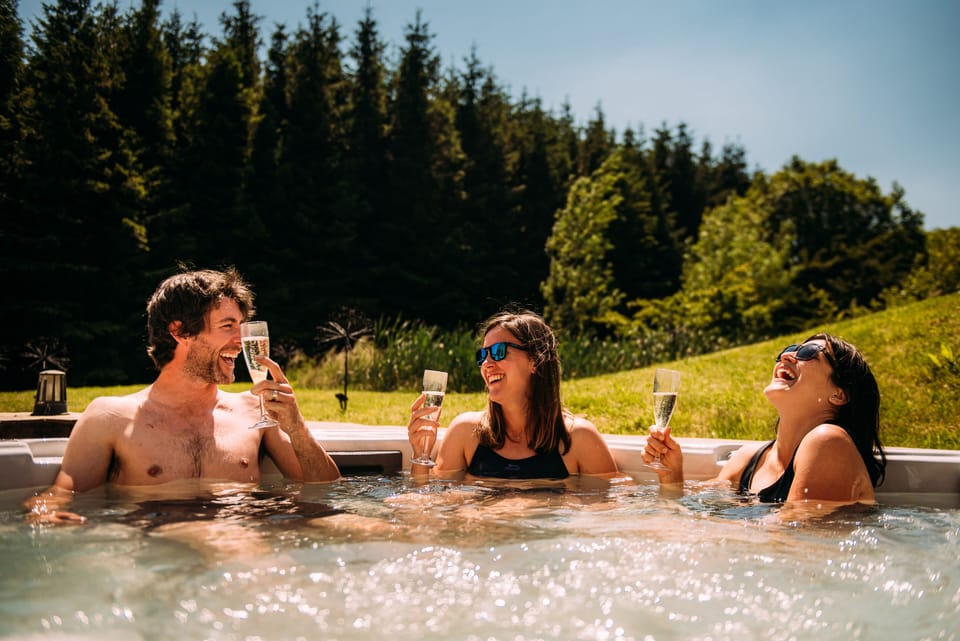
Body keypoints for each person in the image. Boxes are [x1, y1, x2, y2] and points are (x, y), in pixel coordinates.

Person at [26, 268, 340, 524]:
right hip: (161, 531)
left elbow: (324, 489)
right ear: (180, 332)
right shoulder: (111, 417)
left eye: (242, 326)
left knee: (370, 527)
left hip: (247, 527)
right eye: (228, 326)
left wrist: (296, 427)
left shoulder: (253, 410)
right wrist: (46, 514)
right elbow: (60, 495)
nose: (241, 340)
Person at [643, 333, 887, 504]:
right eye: (789, 349)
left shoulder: (829, 443)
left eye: (809, 352)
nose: (787, 357)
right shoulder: (749, 458)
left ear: (839, 394)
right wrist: (671, 474)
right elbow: (690, 509)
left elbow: (794, 540)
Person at [407, 309, 619, 480]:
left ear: (535, 361)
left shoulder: (579, 439)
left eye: (499, 351)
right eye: (483, 355)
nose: (487, 364)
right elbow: (429, 503)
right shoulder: (465, 432)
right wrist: (419, 454)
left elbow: (612, 507)